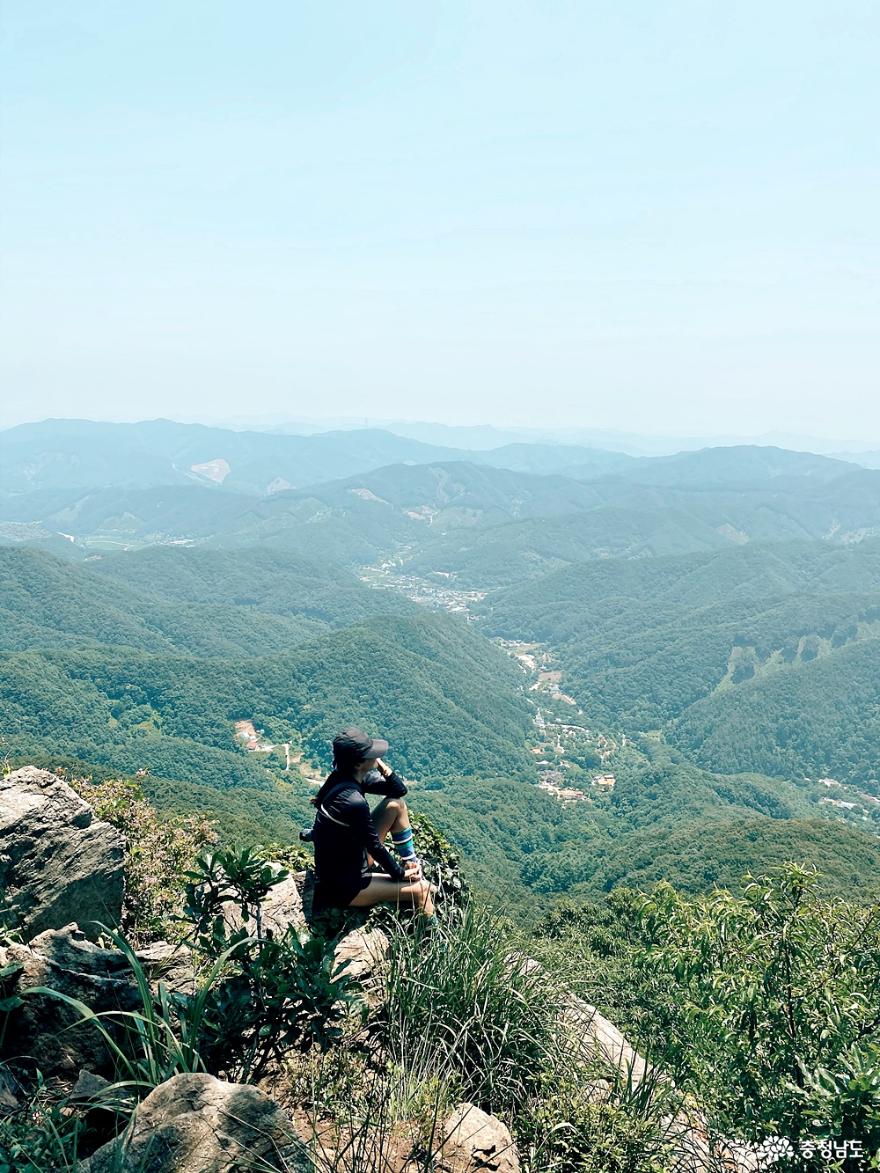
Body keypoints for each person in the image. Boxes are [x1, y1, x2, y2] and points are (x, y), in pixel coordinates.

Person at [307, 726, 437, 924]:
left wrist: (381, 767)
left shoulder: (345, 778)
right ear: (358, 763)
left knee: (395, 805)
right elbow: (374, 846)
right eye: (372, 755)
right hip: (346, 886)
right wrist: (400, 874)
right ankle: (433, 947)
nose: (376, 756)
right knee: (423, 891)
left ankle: (411, 861)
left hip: (348, 861)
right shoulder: (353, 801)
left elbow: (399, 790)